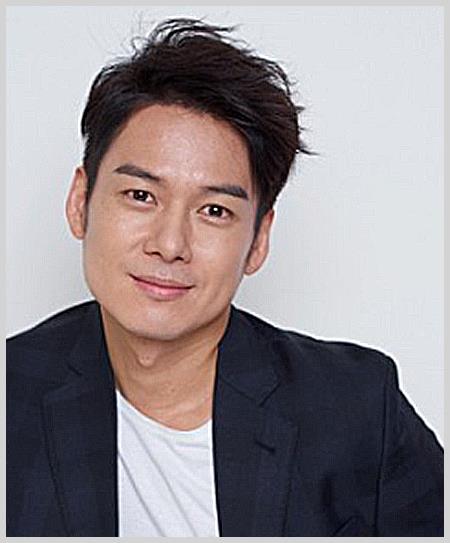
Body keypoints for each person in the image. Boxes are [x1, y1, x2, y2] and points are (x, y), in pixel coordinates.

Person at [6, 18, 443, 537]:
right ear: (80, 203)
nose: (170, 244)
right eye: (141, 196)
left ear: (258, 240)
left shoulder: (359, 410)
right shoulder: (11, 396)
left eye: (214, 210)